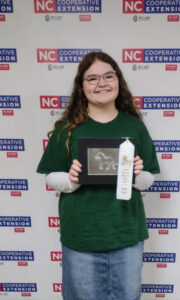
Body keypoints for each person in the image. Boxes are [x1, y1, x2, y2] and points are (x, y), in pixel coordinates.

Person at [37, 51, 160, 300]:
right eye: (92, 79)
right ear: (82, 86)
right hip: (82, 234)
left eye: (108, 76)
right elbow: (50, 177)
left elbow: (150, 178)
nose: (101, 83)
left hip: (126, 232)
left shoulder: (134, 126)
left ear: (118, 81)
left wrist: (137, 175)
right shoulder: (68, 128)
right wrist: (71, 179)